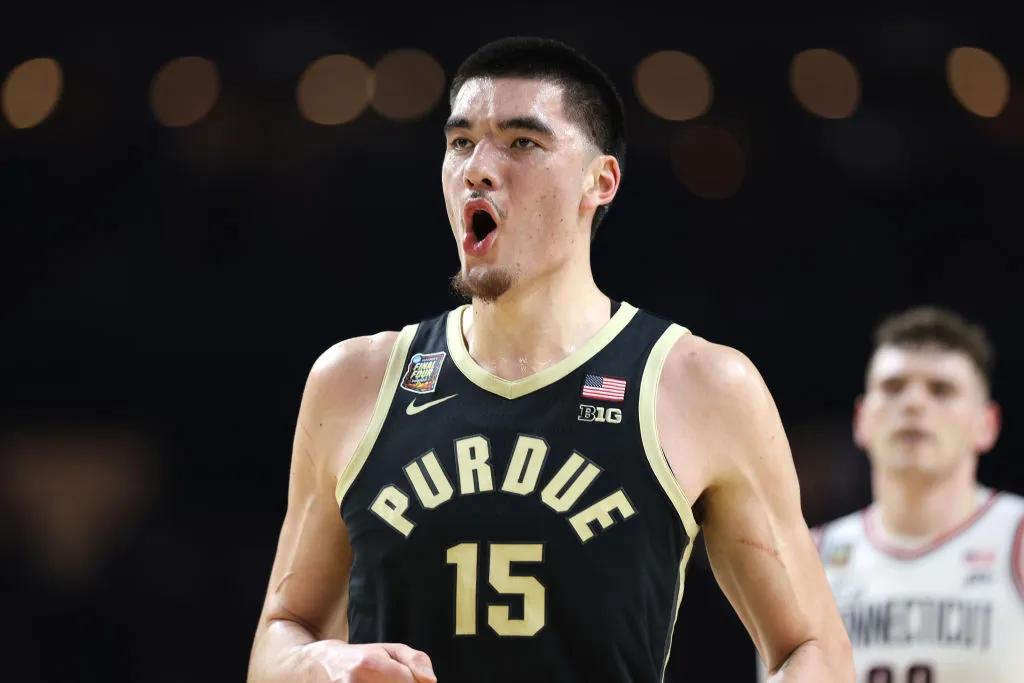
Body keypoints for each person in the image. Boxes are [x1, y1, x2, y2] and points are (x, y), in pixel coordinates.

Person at [246, 36, 853, 683]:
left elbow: (814, 649)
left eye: (521, 142)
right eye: (460, 142)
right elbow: (279, 637)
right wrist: (323, 663)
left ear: (601, 181)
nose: (478, 167)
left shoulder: (698, 384)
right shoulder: (354, 380)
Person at [796, 307, 1024, 682]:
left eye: (941, 390)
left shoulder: (1014, 536)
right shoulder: (809, 561)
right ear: (862, 419)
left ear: (987, 424)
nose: (914, 404)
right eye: (893, 387)